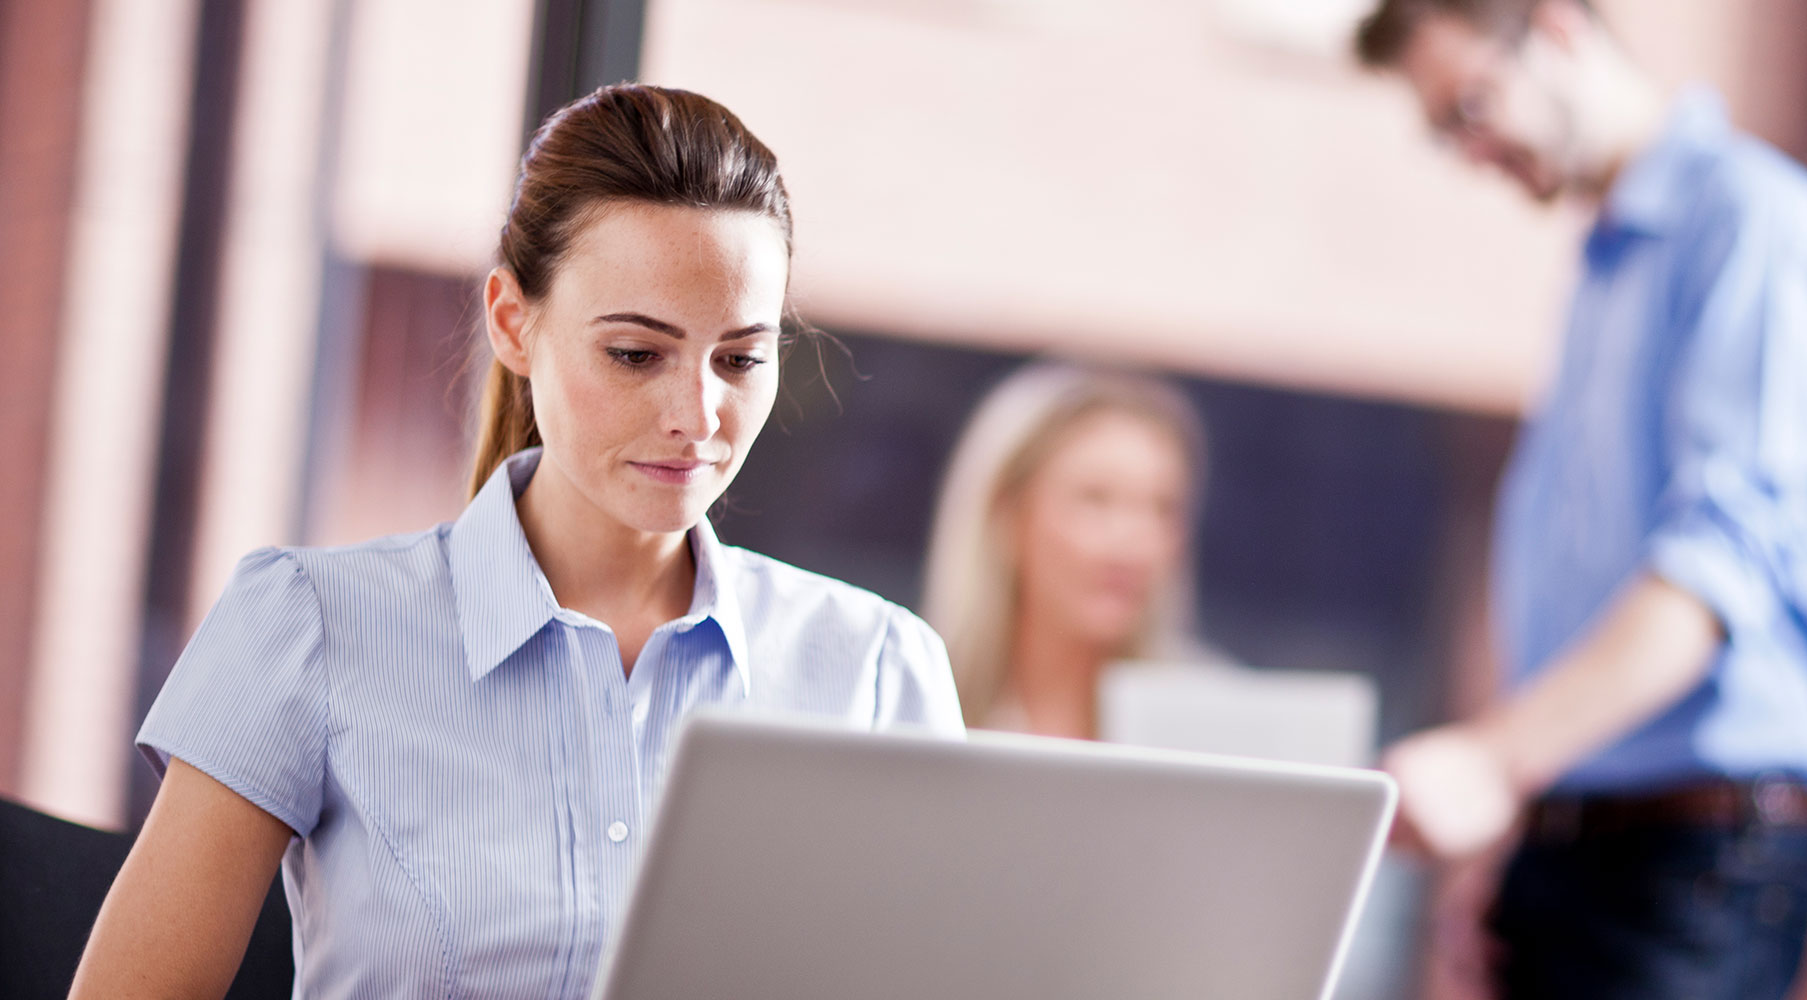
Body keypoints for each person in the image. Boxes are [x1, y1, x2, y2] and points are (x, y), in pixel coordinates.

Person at [70, 84, 961, 999]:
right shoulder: (310, 627)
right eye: (634, 353)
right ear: (512, 321)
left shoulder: (878, 669)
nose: (698, 417)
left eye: (739, 359)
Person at [1351, 2, 1807, 998]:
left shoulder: (1759, 232)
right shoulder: (1610, 274)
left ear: (1559, 31)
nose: (1467, 151)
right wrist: (1526, 825)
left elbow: (1716, 572)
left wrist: (1495, 763)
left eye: (1470, 107)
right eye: (1443, 129)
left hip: (1699, 863)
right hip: (1585, 833)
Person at [921, 361, 1207, 738]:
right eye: (1096, 500)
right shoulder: (916, 707)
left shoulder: (1214, 720)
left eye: (1162, 508)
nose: (1135, 543)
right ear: (1006, 513)